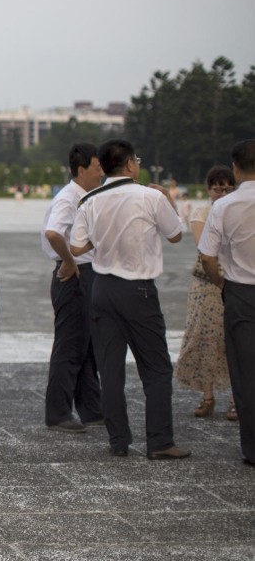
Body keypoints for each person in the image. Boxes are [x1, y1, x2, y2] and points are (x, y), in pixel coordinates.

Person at [70, 138, 190, 460]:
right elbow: (176, 234)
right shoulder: (150, 196)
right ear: (130, 164)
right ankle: (160, 440)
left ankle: (119, 440)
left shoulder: (91, 200)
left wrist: (105, 243)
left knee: (110, 369)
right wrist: (167, 199)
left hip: (103, 288)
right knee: (156, 368)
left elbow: (77, 247)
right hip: (138, 290)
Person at [40, 143, 105, 433]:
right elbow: (53, 233)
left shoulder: (86, 196)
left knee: (87, 346)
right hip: (74, 275)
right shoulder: (69, 198)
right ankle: (58, 413)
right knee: (69, 345)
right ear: (81, 170)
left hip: (85, 273)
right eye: (97, 168)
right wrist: (69, 261)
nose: (102, 173)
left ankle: (91, 409)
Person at [199, 139, 255, 466]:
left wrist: (221, 282)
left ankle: (252, 448)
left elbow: (207, 257)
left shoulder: (223, 206)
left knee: (246, 373)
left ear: (234, 167)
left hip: (240, 292)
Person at [176, 166, 236, 419]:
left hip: (234, 279)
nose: (222, 193)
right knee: (204, 337)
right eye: (217, 188)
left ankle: (236, 398)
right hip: (206, 282)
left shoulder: (237, 210)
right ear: (208, 189)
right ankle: (207, 396)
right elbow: (205, 248)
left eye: (226, 188)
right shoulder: (202, 212)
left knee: (234, 339)